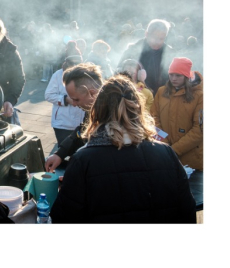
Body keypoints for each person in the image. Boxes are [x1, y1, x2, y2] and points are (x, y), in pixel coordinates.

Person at [50, 75, 196, 223]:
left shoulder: (83, 160)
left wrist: (70, 186)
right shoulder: (166, 153)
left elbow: (64, 217)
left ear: (98, 110)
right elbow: (187, 212)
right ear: (138, 109)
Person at [44, 63, 104, 172]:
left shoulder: (111, 115)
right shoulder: (94, 107)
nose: (74, 104)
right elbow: (82, 130)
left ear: (92, 93)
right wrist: (60, 154)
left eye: (76, 99)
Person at [151, 57, 203, 170]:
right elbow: (153, 119)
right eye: (171, 74)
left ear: (186, 76)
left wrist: (174, 150)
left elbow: (199, 130)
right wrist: (165, 146)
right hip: (165, 157)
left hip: (192, 162)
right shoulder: (161, 92)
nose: (173, 78)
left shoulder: (200, 96)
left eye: (178, 75)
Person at [118, 18, 174, 93]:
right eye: (154, 37)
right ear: (146, 34)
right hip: (137, 95)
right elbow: (119, 73)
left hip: (162, 98)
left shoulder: (170, 53)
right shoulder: (133, 50)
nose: (157, 42)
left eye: (161, 39)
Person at [44, 55, 86, 147]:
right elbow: (48, 95)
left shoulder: (86, 75)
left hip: (82, 122)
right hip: (62, 123)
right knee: (64, 150)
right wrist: (65, 99)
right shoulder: (58, 75)